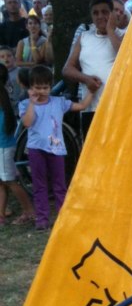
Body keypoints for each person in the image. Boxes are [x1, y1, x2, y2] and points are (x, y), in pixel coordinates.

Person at [18, 65, 93, 230]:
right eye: (37, 87)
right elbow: (27, 122)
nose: (41, 91)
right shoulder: (25, 104)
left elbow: (81, 106)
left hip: (56, 150)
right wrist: (32, 103)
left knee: (60, 184)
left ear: (50, 86)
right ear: (31, 87)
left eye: (45, 88)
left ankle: (62, 217)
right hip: (36, 149)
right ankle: (42, 218)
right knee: (39, 185)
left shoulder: (59, 102)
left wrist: (92, 92)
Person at [62, 0, 125, 133]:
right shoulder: (84, 37)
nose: (100, 16)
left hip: (119, 107)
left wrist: (110, 30)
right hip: (91, 108)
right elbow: (67, 69)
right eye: (95, 13)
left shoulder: (124, 35)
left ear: (112, 13)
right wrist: (86, 79)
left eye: (104, 12)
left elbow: (126, 57)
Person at [0, 63, 36, 226]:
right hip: (5, 144)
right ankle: (1, 214)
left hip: (3, 146)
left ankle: (29, 210)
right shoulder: (4, 95)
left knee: (9, 181)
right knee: (2, 181)